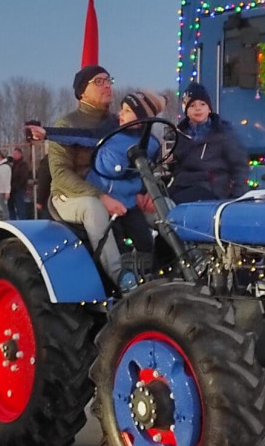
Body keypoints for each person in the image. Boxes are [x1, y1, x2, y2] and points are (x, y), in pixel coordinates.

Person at [45, 65, 134, 291]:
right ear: (82, 92)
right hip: (71, 196)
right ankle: (122, 278)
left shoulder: (118, 123)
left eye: (108, 80)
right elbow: (61, 175)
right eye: (98, 81)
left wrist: (143, 193)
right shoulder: (65, 126)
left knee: (160, 207)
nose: (107, 85)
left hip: (112, 189)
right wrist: (101, 196)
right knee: (93, 208)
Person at [85, 89, 166, 253]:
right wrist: (46, 133)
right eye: (122, 108)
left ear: (143, 118)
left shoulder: (152, 144)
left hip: (128, 201)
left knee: (145, 240)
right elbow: (74, 135)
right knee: (115, 239)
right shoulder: (108, 134)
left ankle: (153, 270)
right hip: (103, 197)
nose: (120, 113)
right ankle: (120, 275)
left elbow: (148, 172)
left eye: (128, 111)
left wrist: (148, 192)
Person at [168, 82, 249, 203]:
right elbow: (171, 166)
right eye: (192, 105)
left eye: (202, 104)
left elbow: (240, 166)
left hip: (211, 186)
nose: (198, 108)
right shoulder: (178, 135)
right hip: (182, 184)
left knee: (178, 202)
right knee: (160, 202)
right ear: (186, 110)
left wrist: (236, 196)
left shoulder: (223, 133)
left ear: (209, 108)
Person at [9, 146, 30, 219]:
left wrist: (17, 186)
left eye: (16, 154)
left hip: (19, 189)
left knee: (20, 208)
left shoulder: (23, 165)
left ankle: (23, 222)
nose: (14, 155)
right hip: (13, 190)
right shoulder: (13, 164)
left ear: (20, 154)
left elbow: (23, 177)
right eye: (13, 154)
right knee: (12, 207)